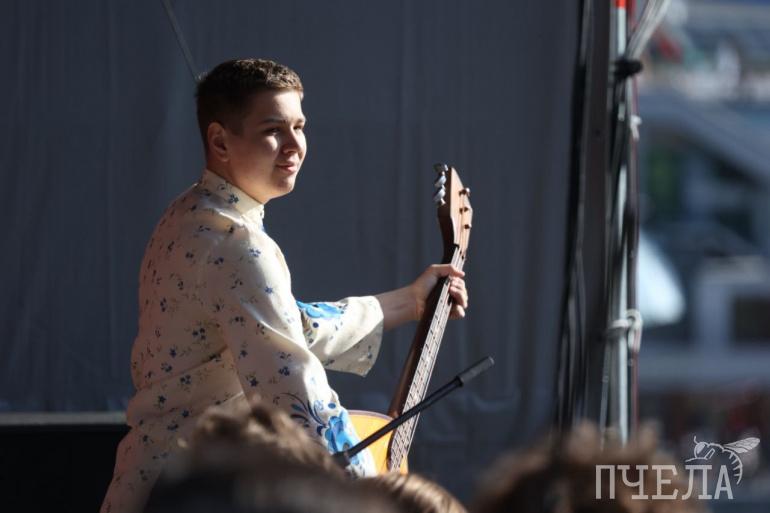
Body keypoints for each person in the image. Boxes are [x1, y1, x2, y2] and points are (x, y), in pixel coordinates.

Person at [100, 58, 469, 513]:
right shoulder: (236, 244)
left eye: (300, 126)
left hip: (159, 482)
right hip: (195, 495)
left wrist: (410, 301)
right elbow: (296, 393)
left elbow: (286, 325)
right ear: (220, 141)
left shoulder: (188, 214)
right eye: (273, 130)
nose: (294, 145)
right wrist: (375, 494)